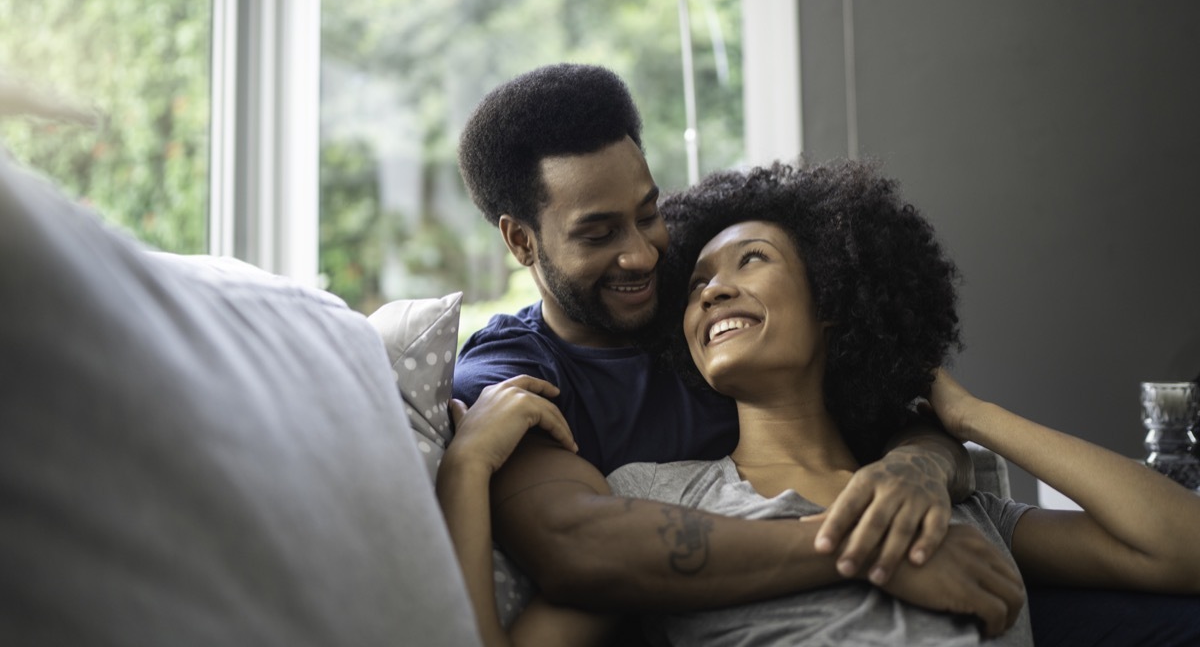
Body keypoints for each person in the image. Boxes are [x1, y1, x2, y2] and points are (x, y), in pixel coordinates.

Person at [442, 159, 1200, 646]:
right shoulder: (653, 496)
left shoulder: (943, 502)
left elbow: (1181, 550)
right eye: (699, 280)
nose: (711, 288)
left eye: (752, 260)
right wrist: (465, 472)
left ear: (835, 297)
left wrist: (968, 421)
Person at [450, 64, 1018, 638]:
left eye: (648, 214)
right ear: (522, 240)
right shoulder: (511, 372)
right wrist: (872, 552)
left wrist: (918, 465)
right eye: (598, 235)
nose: (643, 256)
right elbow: (579, 546)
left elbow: (895, 411)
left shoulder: (705, 304)